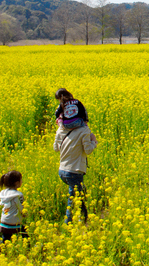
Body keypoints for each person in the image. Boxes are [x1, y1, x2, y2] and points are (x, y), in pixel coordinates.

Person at [53, 90, 97, 224]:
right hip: (74, 171)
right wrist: (94, 142)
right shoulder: (84, 130)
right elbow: (88, 150)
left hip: (62, 171)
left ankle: (84, 219)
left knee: (80, 194)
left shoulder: (60, 129)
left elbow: (56, 148)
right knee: (73, 198)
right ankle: (68, 223)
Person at [0, 170, 28, 242]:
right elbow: (21, 207)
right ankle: (30, 246)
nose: (22, 182)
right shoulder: (18, 195)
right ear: (17, 183)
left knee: (5, 238)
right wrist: (25, 214)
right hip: (13, 222)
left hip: (4, 221)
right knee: (25, 234)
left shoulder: (4, 193)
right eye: (21, 180)